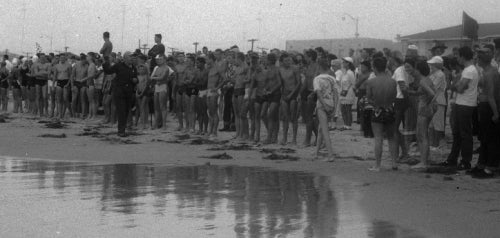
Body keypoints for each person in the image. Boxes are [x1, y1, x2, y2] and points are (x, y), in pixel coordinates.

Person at [439, 46, 479, 170]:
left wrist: (454, 86)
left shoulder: (469, 70)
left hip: (465, 104)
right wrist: (457, 85)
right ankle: (453, 158)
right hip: (462, 103)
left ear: (462, 56)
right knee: (457, 133)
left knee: (464, 133)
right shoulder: (469, 69)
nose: (457, 59)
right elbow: (459, 86)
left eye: (458, 56)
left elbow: (460, 88)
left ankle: (465, 161)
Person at [468, 45, 500, 178]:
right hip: (487, 105)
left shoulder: (489, 73)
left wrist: (496, 113)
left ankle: (489, 167)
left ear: (480, 61)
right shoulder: (491, 71)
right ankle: (483, 164)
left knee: (490, 138)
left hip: (488, 106)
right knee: (487, 137)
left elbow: (491, 95)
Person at [366, 57, 398, 171]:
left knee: (378, 138)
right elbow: (394, 97)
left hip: (377, 110)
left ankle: (378, 165)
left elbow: (369, 98)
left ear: (374, 67)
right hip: (390, 109)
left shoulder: (371, 82)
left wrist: (375, 104)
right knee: (392, 137)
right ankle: (394, 163)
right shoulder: (393, 81)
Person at [405, 60, 436, 170]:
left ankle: (423, 162)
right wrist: (412, 92)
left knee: (422, 135)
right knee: (422, 134)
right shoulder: (427, 80)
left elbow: (432, 94)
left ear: (419, 70)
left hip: (424, 108)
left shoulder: (423, 81)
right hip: (427, 107)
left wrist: (426, 104)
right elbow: (424, 92)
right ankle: (424, 160)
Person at [103, 51, 138, 137]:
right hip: (119, 92)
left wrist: (136, 80)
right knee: (121, 111)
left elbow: (136, 78)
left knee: (126, 111)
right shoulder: (119, 65)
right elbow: (108, 71)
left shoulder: (133, 67)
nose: (132, 58)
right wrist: (106, 62)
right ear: (125, 58)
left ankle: (123, 128)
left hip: (129, 92)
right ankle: (121, 131)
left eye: (132, 57)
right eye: (130, 56)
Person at [314, 58, 338, 160]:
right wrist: (335, 108)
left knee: (324, 130)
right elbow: (336, 95)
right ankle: (316, 152)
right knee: (321, 129)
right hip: (331, 104)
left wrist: (324, 105)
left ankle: (330, 154)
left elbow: (319, 94)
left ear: (319, 67)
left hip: (322, 105)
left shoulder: (317, 79)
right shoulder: (332, 78)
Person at [279, 53, 301, 145]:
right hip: (285, 94)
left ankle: (294, 139)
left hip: (293, 93)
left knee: (294, 117)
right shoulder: (280, 70)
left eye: (289, 60)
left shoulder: (295, 68)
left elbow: (299, 82)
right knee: (285, 117)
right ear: (282, 62)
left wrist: (293, 94)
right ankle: (284, 138)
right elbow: (281, 83)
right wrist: (281, 95)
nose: (288, 62)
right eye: (286, 60)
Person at [391, 55, 409, 160]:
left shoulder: (399, 70)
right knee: (400, 129)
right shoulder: (404, 69)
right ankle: (403, 152)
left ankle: (398, 154)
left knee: (394, 128)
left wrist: (407, 99)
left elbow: (402, 86)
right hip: (403, 99)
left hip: (399, 100)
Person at [427, 56, 447, 150]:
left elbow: (433, 87)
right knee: (431, 124)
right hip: (433, 100)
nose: (430, 66)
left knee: (437, 124)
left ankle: (436, 144)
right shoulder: (433, 74)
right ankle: (432, 143)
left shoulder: (440, 74)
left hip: (438, 100)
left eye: (432, 64)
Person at [263, 53, 282, 144]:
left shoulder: (276, 70)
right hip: (269, 94)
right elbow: (267, 82)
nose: (265, 60)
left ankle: (271, 137)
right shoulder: (267, 70)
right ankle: (273, 135)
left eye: (266, 59)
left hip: (276, 94)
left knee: (271, 115)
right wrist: (265, 89)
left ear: (270, 60)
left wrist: (272, 90)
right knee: (267, 115)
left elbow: (279, 83)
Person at [301, 49, 319, 146]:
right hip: (307, 91)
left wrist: (312, 93)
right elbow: (306, 81)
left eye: (306, 56)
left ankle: (308, 139)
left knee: (309, 117)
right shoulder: (309, 66)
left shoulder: (316, 67)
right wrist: (300, 93)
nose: (305, 58)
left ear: (310, 57)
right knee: (308, 117)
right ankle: (316, 138)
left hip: (313, 92)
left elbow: (316, 81)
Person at [355, 60, 375, 138]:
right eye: (361, 67)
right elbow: (357, 84)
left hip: (368, 92)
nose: (361, 68)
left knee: (368, 110)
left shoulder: (371, 74)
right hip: (361, 91)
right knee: (360, 109)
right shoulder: (361, 75)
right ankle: (362, 126)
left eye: (363, 67)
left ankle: (366, 127)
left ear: (367, 67)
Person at [232, 52, 249, 140]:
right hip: (235, 89)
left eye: (235, 58)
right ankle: (238, 133)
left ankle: (242, 133)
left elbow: (247, 80)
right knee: (236, 113)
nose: (235, 60)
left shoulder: (245, 67)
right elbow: (235, 79)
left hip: (242, 90)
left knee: (241, 113)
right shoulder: (237, 68)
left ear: (239, 59)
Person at [206, 53, 223, 138]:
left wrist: (217, 88)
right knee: (210, 112)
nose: (206, 60)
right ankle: (210, 130)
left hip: (214, 91)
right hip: (209, 90)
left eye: (207, 59)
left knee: (214, 112)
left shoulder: (218, 68)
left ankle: (214, 131)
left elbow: (224, 79)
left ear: (211, 59)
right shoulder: (209, 68)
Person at [339, 57, 356, 130]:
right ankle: (345, 124)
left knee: (347, 108)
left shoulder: (350, 73)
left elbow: (353, 83)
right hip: (343, 92)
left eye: (344, 62)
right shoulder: (345, 73)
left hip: (349, 92)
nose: (343, 64)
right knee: (343, 108)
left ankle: (349, 125)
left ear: (348, 63)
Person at [53, 54, 72, 118]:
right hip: (59, 82)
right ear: (59, 59)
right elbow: (55, 76)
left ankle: (64, 113)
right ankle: (60, 114)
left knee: (65, 98)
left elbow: (70, 76)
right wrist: (53, 85)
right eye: (61, 58)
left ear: (65, 58)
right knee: (59, 99)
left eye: (63, 58)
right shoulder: (56, 66)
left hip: (66, 81)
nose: (62, 59)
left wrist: (68, 84)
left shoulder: (68, 66)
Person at [195, 57, 209, 135]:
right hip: (199, 91)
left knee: (204, 111)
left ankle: (205, 129)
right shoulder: (197, 72)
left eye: (198, 63)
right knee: (199, 112)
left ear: (203, 63)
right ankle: (200, 129)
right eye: (196, 63)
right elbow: (197, 82)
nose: (197, 64)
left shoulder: (206, 71)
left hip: (205, 91)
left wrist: (197, 83)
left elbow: (203, 83)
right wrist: (198, 83)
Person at [175, 52, 188, 131]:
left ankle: (187, 125)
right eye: (179, 56)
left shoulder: (187, 66)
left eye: (182, 56)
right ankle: (180, 124)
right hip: (178, 87)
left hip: (185, 87)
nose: (180, 58)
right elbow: (175, 79)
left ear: (184, 57)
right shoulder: (175, 67)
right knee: (178, 107)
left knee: (186, 107)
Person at [86, 53, 98, 119]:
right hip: (89, 84)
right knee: (90, 101)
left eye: (87, 56)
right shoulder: (90, 65)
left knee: (92, 101)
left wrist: (84, 79)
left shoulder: (92, 65)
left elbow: (92, 75)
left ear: (90, 57)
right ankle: (90, 114)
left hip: (91, 84)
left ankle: (93, 115)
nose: (86, 57)